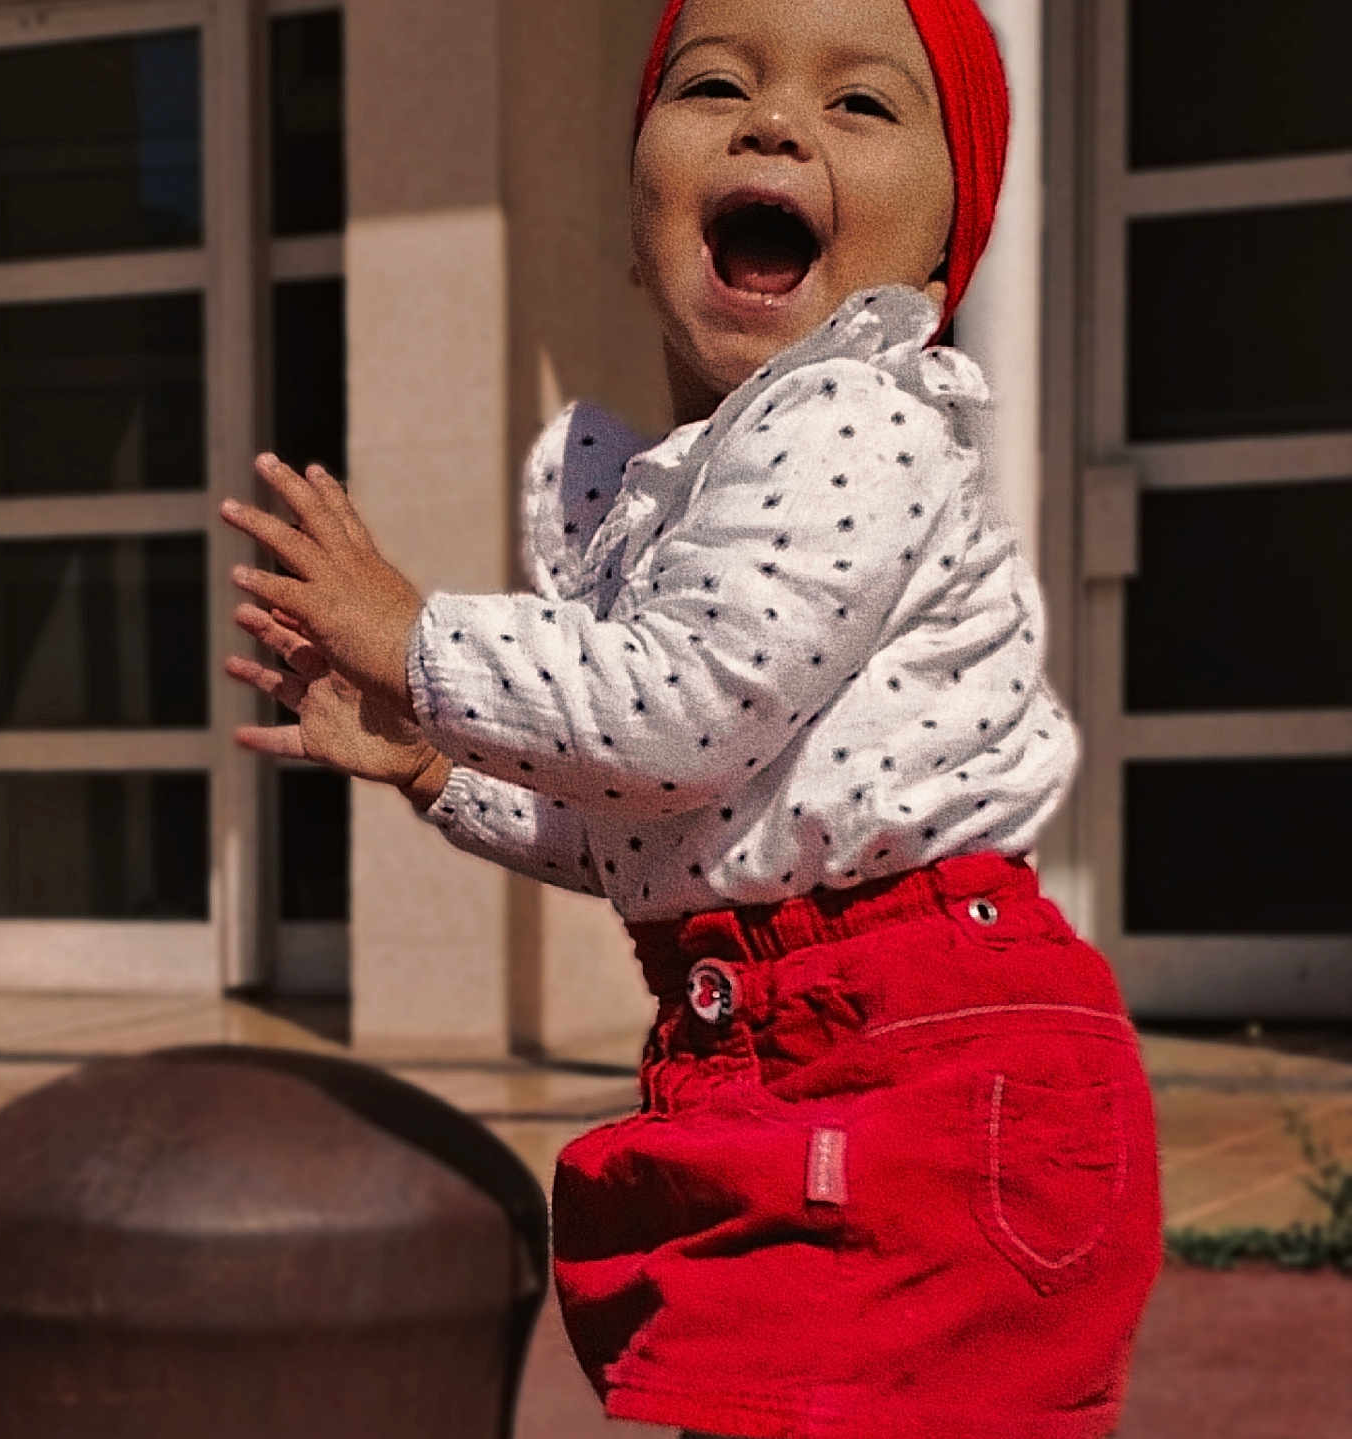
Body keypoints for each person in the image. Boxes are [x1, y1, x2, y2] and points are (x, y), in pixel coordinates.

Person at [219, 1, 1165, 1434]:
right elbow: (652, 820)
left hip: (927, 1070)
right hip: (793, 1046)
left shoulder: (853, 415)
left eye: (864, 105)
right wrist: (431, 764)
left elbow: (684, 710)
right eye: (715, 81)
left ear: (940, 253)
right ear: (637, 205)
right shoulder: (692, 488)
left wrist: (416, 639)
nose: (776, 117)